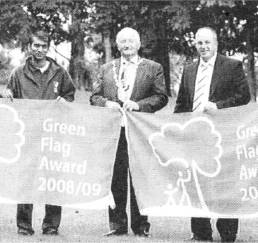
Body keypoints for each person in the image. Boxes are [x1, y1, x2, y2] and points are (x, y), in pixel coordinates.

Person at [90, 27, 168, 237]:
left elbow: (161, 97)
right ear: (117, 45)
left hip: (140, 133)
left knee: (139, 179)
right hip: (114, 133)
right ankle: (117, 225)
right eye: (122, 41)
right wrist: (106, 103)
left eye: (131, 41)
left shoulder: (153, 68)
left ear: (138, 44)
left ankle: (141, 226)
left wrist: (139, 105)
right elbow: (94, 97)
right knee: (115, 179)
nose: (127, 45)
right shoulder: (107, 68)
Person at [174, 27, 250, 242]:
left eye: (207, 42)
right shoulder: (189, 70)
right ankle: (200, 232)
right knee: (196, 184)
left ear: (216, 43)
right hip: (194, 137)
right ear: (195, 45)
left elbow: (244, 96)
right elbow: (181, 104)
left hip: (223, 135)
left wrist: (219, 106)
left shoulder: (232, 66)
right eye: (199, 43)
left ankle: (227, 232)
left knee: (225, 184)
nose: (203, 47)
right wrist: (177, 129)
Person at [0, 30, 76, 236]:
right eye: (36, 46)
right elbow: (9, 94)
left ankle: (51, 226)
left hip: (53, 135)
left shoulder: (60, 72)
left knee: (53, 180)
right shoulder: (18, 73)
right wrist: (5, 93)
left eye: (43, 46)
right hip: (27, 135)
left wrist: (65, 101)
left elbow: (70, 96)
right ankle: (24, 226)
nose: (40, 50)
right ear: (29, 47)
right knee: (26, 180)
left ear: (48, 48)